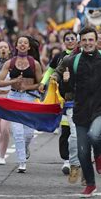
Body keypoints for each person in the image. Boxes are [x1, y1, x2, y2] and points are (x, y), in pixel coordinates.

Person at [53, 26, 101, 197]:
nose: (88, 43)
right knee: (81, 152)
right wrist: (64, 82)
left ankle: (98, 155)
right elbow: (67, 90)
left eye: (91, 40)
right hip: (81, 109)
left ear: (96, 42)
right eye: (84, 40)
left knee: (94, 135)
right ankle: (90, 184)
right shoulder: (71, 61)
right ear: (80, 42)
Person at [39, 31, 81, 183]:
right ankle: (67, 160)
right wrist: (44, 82)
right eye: (67, 39)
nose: (70, 41)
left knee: (79, 132)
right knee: (66, 131)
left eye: (72, 39)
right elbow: (51, 71)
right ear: (64, 42)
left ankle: (79, 159)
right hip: (62, 99)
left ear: (77, 41)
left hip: (81, 100)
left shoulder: (84, 55)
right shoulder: (60, 57)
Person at [0, 35, 43, 173]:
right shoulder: (9, 63)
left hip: (30, 98)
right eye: (20, 43)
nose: (23, 45)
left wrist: (28, 87)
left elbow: (41, 84)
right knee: (17, 132)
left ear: (29, 47)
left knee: (28, 133)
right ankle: (21, 162)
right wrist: (13, 82)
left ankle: (25, 148)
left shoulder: (35, 63)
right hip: (14, 97)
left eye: (25, 43)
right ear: (16, 46)